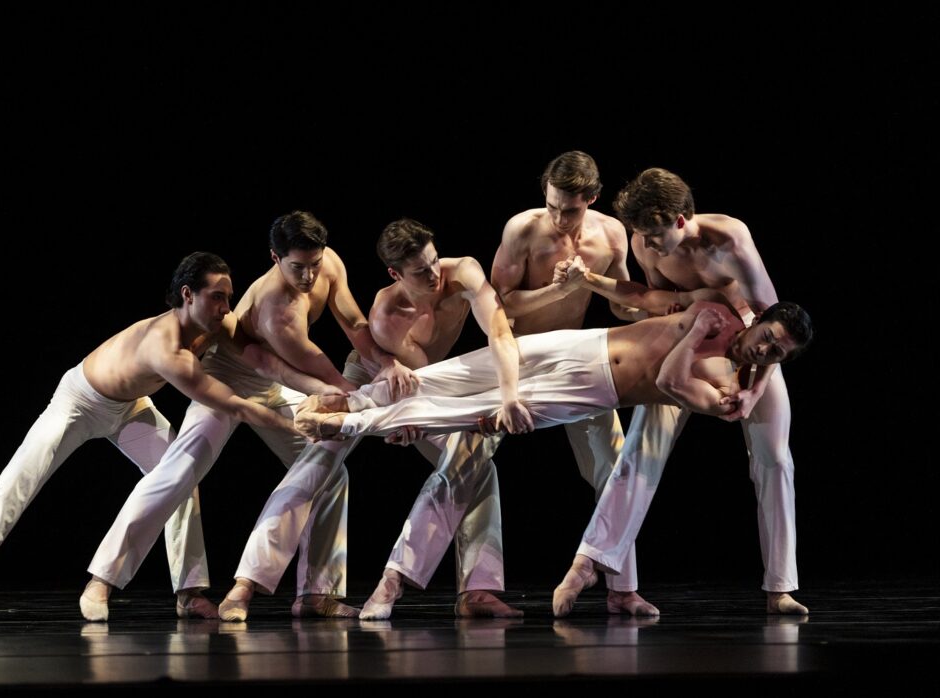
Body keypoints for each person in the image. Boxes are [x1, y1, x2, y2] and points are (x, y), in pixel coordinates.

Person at [0, 252, 302, 625]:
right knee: (17, 483)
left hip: (130, 407)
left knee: (181, 477)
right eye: (218, 296)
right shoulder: (164, 346)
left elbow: (259, 354)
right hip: (79, 402)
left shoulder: (215, 324)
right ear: (188, 294)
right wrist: (288, 425)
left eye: (229, 297)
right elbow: (232, 404)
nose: (226, 306)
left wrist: (315, 389)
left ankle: (188, 592)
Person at [80, 211, 418, 622]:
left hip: (274, 385)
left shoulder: (327, 264)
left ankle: (316, 593)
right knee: (178, 471)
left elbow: (352, 321)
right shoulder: (277, 307)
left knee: (330, 471)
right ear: (275, 257)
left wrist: (384, 364)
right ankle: (102, 579)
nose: (309, 276)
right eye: (298, 267)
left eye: (314, 264)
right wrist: (361, 401)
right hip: (228, 381)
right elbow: (315, 372)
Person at [574, 166, 810, 616]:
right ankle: (607, 571)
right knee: (642, 448)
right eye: (641, 233)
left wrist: (753, 394)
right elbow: (659, 306)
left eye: (656, 233)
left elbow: (770, 320)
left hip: (752, 349)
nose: (648, 242)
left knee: (775, 459)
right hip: (694, 348)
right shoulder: (646, 242)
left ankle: (780, 587)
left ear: (681, 219)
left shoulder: (730, 239)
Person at [488, 150, 658, 616]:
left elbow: (626, 305)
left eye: (571, 208)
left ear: (593, 198)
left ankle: (622, 589)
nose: (560, 217)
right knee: (466, 461)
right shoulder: (523, 229)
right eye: (553, 205)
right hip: (519, 359)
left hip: (577, 359)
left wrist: (597, 284)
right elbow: (499, 307)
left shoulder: (611, 233)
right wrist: (557, 290)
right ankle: (473, 588)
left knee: (617, 466)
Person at [294, 301, 812, 446]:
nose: (767, 350)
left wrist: (698, 334)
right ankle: (362, 399)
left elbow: (672, 383)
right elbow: (646, 300)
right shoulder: (726, 306)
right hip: (588, 342)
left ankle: (349, 426)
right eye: (769, 337)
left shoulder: (728, 386)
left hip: (593, 389)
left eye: (777, 355)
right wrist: (594, 283)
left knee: (471, 411)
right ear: (761, 320)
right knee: (469, 370)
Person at [354, 218, 531, 620]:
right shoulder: (387, 316)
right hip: (391, 388)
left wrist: (508, 397)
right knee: (472, 458)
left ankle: (457, 587)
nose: (434, 274)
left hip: (437, 383)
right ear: (396, 274)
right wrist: (416, 419)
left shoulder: (464, 271)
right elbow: (418, 388)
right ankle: (414, 580)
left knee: (476, 464)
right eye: (420, 271)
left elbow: (499, 333)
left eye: (434, 260)